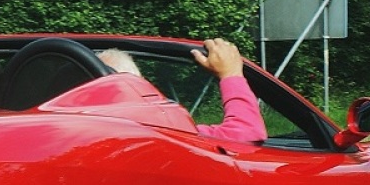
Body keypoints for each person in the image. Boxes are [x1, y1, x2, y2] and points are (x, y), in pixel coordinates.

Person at [100, 40, 267, 144]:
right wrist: (231, 75)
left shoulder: (77, 134)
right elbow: (248, 134)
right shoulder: (160, 133)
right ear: (138, 87)